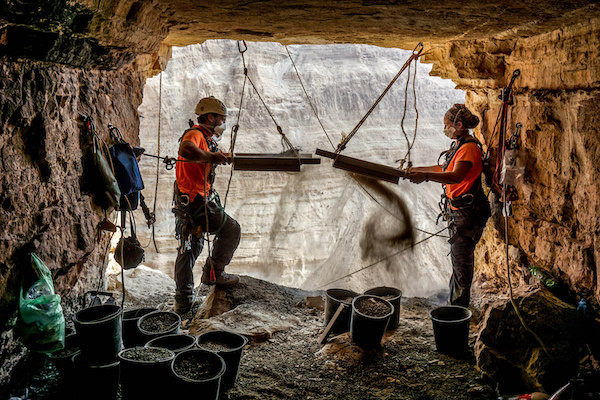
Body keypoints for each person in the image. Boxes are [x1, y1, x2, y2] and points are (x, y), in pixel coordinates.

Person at [405, 103, 491, 307]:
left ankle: (458, 312)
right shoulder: (459, 145)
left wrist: (425, 176)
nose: (445, 129)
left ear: (458, 124)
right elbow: (444, 167)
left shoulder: (469, 148)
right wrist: (417, 169)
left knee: (462, 263)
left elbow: (456, 176)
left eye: (446, 125)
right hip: (459, 211)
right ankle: (456, 305)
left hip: (468, 213)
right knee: (458, 259)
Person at [172, 96, 241, 314]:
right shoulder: (195, 134)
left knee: (191, 247)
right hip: (196, 202)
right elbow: (186, 150)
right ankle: (215, 272)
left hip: (191, 200)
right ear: (210, 117)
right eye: (220, 119)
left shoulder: (205, 137)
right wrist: (212, 157)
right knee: (231, 230)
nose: (222, 123)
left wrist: (216, 157)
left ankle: (183, 300)